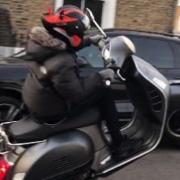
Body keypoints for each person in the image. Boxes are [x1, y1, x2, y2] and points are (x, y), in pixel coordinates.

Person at [22, 5, 136, 160]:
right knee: (104, 92)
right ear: (69, 30)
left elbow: (65, 46)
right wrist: (102, 76)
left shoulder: (42, 46)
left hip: (40, 101)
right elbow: (76, 95)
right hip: (53, 110)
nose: (81, 34)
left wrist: (90, 40)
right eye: (80, 32)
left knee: (95, 85)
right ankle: (118, 146)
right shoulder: (62, 61)